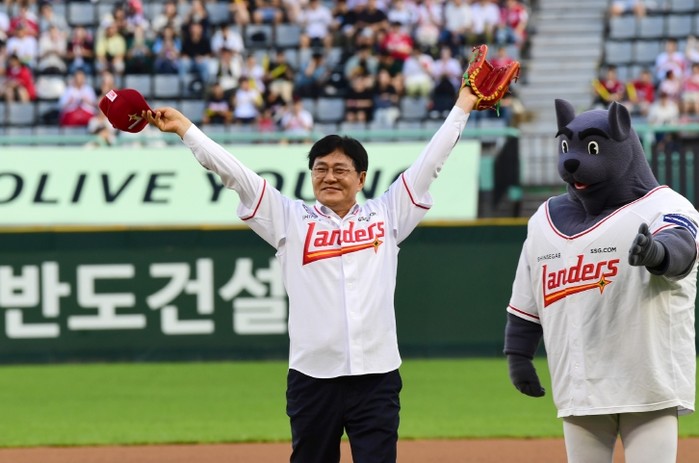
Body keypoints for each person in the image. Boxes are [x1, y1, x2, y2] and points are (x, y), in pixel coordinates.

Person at [143, 60, 483, 463]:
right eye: (320, 169)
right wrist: (186, 129)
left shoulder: (387, 214)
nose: (329, 177)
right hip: (312, 378)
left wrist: (463, 104)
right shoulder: (289, 218)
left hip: (377, 376)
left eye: (341, 169)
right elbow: (235, 173)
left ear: (361, 178)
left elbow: (430, 162)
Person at [503, 99, 698, 463]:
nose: (572, 160)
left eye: (591, 148)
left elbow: (683, 248)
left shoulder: (666, 205)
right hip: (581, 389)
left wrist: (657, 253)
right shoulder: (544, 220)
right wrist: (518, 355)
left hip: (648, 386)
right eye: (567, 147)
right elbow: (526, 302)